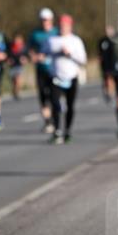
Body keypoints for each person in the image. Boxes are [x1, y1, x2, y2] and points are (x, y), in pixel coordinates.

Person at [47, 14, 87, 143]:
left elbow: (83, 60)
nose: (63, 27)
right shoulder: (52, 40)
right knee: (55, 104)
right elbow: (43, 53)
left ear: (70, 26)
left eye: (65, 25)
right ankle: (57, 131)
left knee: (70, 105)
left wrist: (70, 54)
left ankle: (68, 130)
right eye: (61, 25)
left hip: (71, 77)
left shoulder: (76, 40)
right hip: (56, 77)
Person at [27, 8, 59, 133]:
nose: (44, 22)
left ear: (51, 20)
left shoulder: (57, 32)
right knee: (43, 97)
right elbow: (29, 48)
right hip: (41, 70)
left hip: (55, 70)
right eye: (42, 20)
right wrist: (33, 56)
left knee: (53, 97)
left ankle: (55, 119)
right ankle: (48, 122)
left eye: (46, 20)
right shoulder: (35, 34)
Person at [97, 25, 116, 103]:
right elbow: (99, 52)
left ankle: (111, 93)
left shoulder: (115, 40)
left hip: (113, 63)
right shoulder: (102, 41)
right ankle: (107, 92)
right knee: (106, 80)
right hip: (105, 64)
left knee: (111, 79)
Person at [8, 33, 28, 100]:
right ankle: (14, 91)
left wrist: (25, 59)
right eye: (16, 40)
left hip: (19, 66)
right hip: (12, 66)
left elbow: (27, 56)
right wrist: (9, 60)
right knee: (14, 81)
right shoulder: (11, 47)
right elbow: (7, 55)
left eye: (19, 40)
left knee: (18, 80)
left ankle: (17, 92)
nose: (17, 41)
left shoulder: (23, 47)